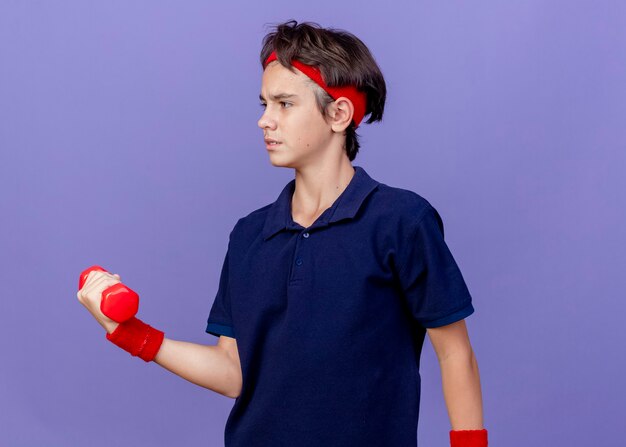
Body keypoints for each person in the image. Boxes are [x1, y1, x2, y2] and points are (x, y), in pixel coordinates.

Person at [77, 20, 488, 447]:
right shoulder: (250, 235)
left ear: (339, 114)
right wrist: (131, 333)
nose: (264, 121)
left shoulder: (402, 221)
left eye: (284, 104)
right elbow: (233, 372)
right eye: (263, 103)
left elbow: (455, 353)